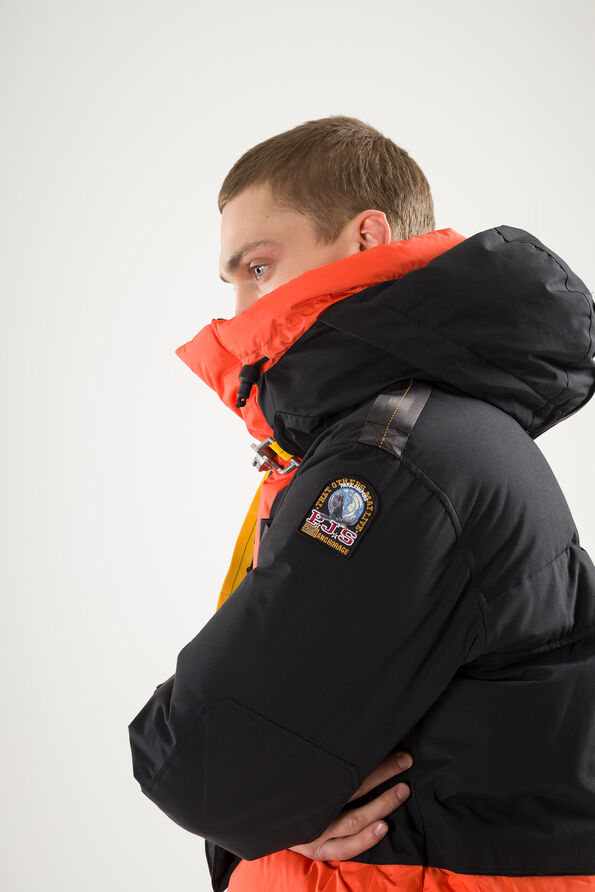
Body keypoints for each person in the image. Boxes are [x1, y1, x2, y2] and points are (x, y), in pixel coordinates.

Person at [128, 115, 595, 892]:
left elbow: (208, 764)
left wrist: (267, 796)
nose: (237, 309)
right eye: (231, 279)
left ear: (366, 237)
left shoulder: (390, 457)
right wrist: (277, 797)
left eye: (259, 267)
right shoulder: (433, 429)